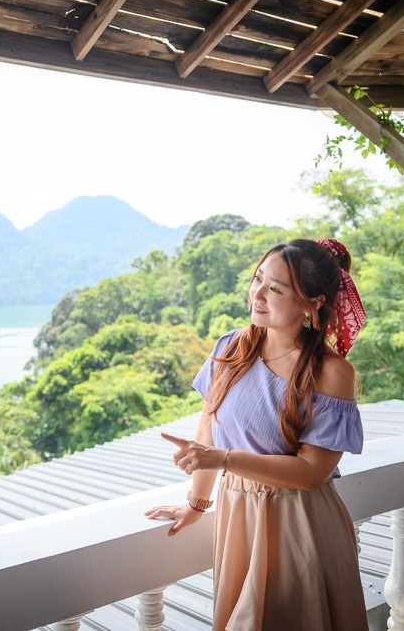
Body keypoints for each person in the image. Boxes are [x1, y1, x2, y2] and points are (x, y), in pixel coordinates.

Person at [145, 238, 368, 631]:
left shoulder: (331, 373)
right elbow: (208, 431)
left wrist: (224, 461)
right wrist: (196, 505)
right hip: (237, 521)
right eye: (257, 279)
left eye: (276, 289)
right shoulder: (234, 345)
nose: (258, 294)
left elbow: (311, 472)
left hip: (300, 524)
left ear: (313, 303)